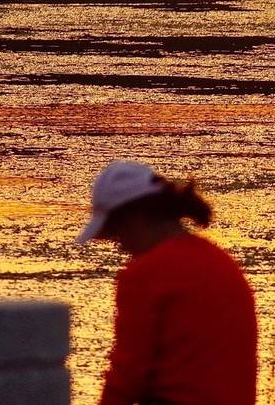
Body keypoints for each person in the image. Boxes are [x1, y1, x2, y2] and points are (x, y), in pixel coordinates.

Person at [77, 160, 258, 405]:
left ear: (136, 218)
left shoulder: (144, 274)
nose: (120, 245)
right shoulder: (221, 261)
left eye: (116, 232)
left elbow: (127, 376)